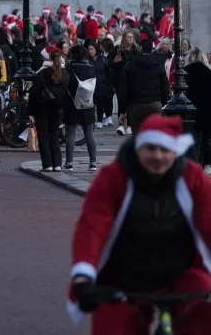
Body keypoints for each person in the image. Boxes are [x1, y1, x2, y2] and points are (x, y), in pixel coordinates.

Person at [68, 115, 211, 334]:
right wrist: (83, 275)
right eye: (150, 149)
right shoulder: (113, 177)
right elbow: (93, 225)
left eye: (165, 150)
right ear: (138, 149)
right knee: (114, 326)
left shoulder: (193, 177)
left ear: (175, 151)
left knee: (202, 313)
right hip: (123, 275)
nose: (158, 156)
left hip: (179, 273)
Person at [118, 37, 170, 135]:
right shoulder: (158, 64)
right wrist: (165, 104)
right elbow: (164, 87)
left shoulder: (130, 64)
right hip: (155, 103)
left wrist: (122, 111)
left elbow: (123, 89)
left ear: (140, 48)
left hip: (136, 104)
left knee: (137, 137)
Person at [29, 48, 66, 172]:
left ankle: (47, 164)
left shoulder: (41, 73)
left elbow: (34, 93)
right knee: (54, 135)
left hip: (43, 108)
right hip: (58, 108)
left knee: (44, 136)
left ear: (48, 58)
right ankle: (58, 164)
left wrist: (30, 111)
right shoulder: (64, 73)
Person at [65, 44, 98, 171]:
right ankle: (93, 162)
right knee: (89, 134)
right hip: (88, 103)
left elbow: (66, 85)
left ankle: (69, 162)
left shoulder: (69, 68)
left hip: (72, 103)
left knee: (70, 134)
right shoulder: (91, 68)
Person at [182, 48, 211, 172]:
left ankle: (191, 165)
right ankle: (207, 164)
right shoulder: (209, 73)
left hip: (190, 112)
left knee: (191, 140)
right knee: (206, 140)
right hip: (207, 112)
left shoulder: (184, 73)